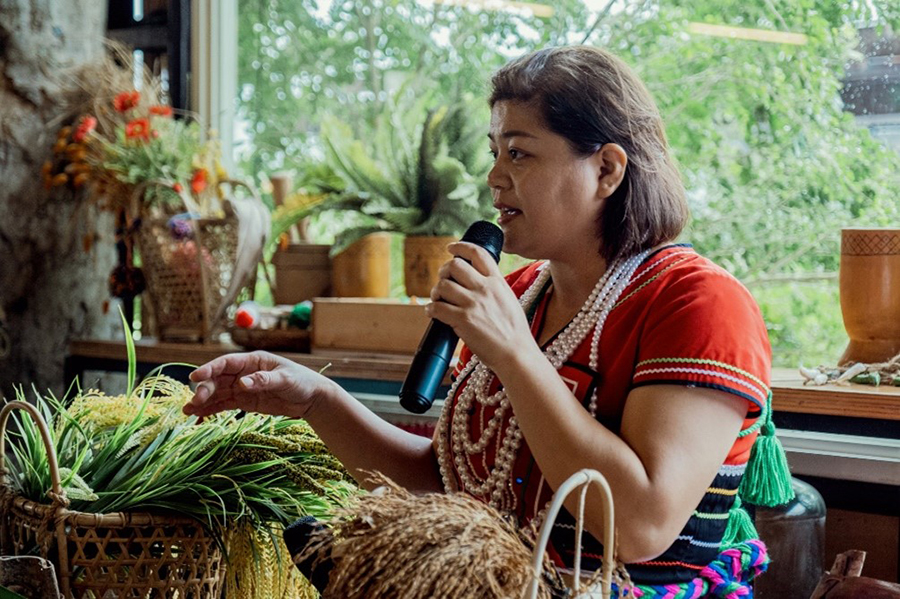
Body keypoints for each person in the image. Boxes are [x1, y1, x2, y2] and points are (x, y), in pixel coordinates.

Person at [185, 46, 782, 597]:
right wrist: (316, 399)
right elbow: (451, 486)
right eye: (494, 152)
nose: (494, 177)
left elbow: (644, 523)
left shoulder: (697, 302)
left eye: (518, 152)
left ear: (606, 169)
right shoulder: (519, 294)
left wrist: (514, 353)